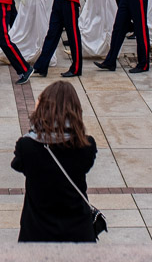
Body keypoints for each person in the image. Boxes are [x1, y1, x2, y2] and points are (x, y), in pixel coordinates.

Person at [11, 80, 98, 243]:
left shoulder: (27, 147)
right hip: (77, 232)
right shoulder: (86, 145)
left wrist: (36, 127)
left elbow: (18, 165)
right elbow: (85, 165)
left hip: (37, 232)